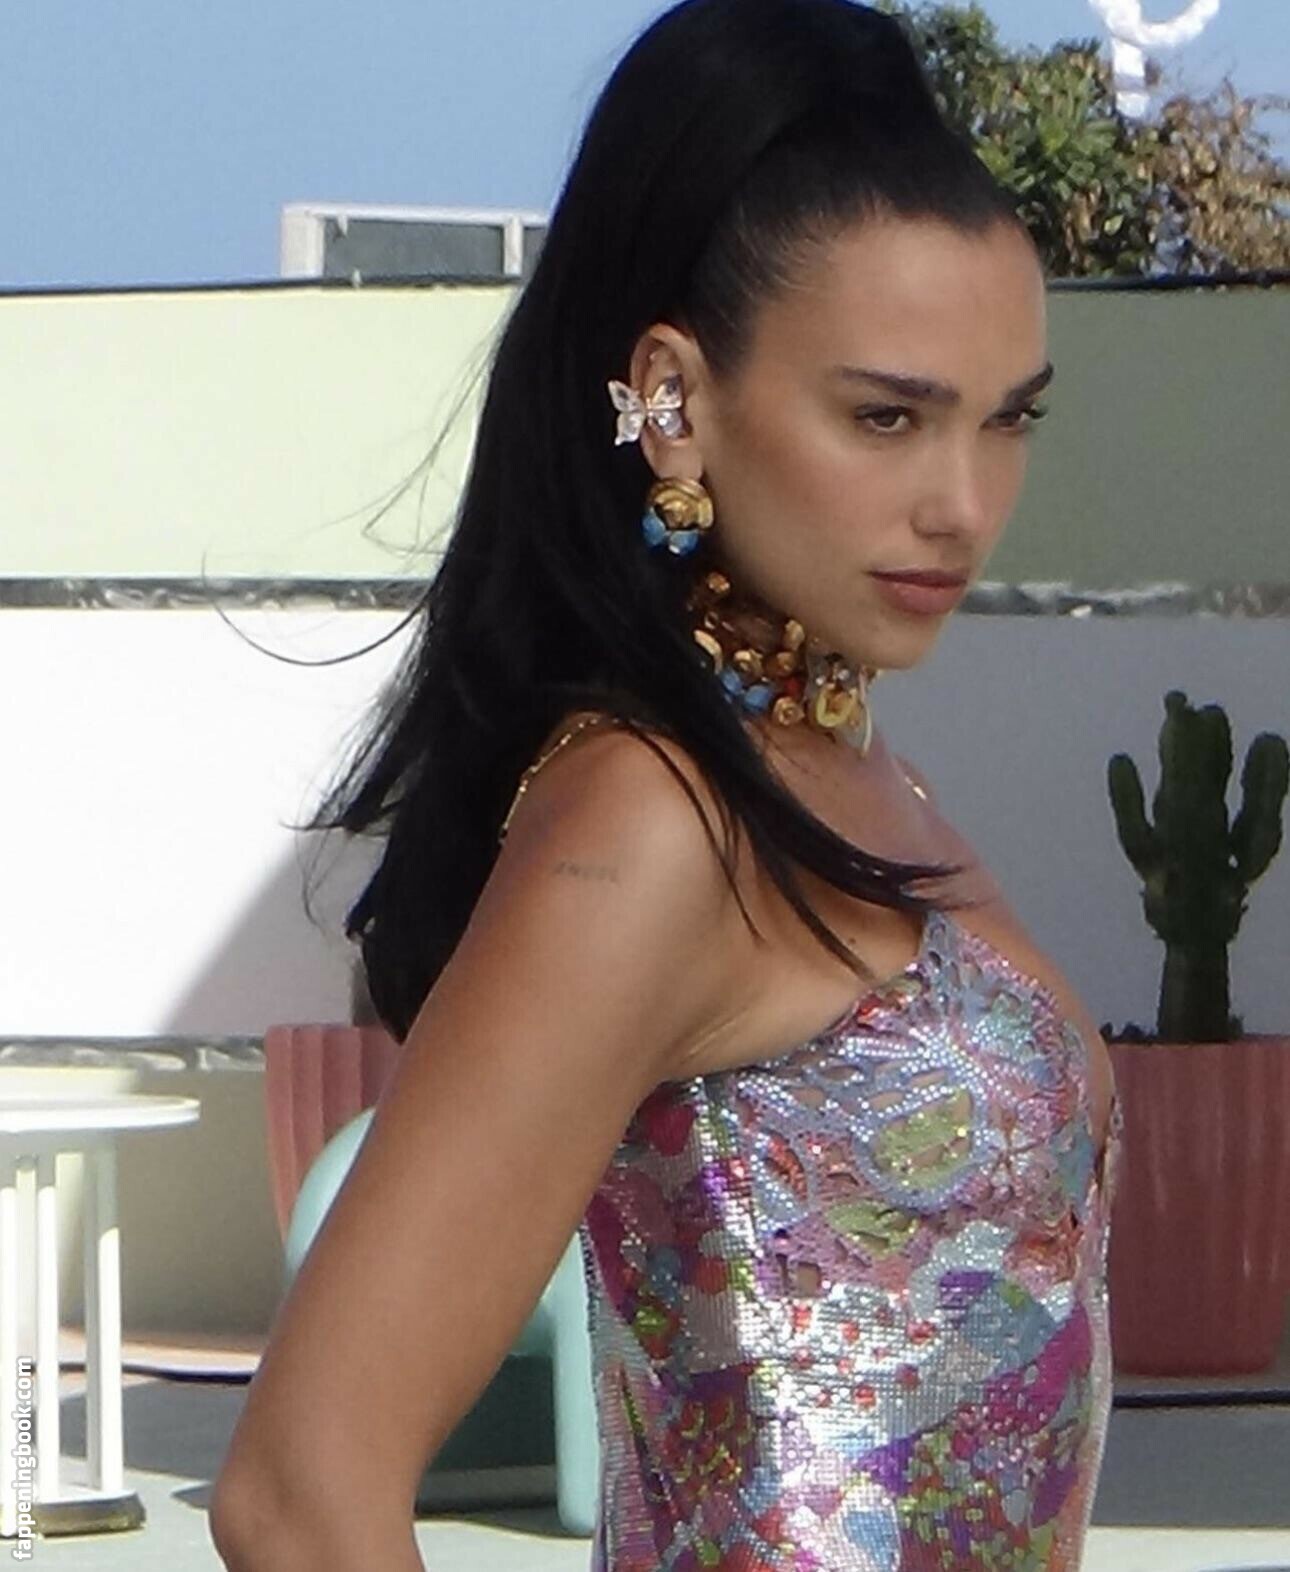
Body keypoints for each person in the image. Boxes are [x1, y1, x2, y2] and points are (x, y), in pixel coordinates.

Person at [210, 1, 1123, 1567]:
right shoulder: (653, 819)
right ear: (675, 400)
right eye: (885, 416)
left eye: (1006, 421)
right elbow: (299, 1496)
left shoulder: (841, 771)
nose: (962, 504)